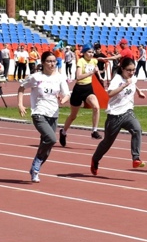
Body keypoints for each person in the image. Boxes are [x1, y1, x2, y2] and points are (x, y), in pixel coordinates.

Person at [17, 51, 70, 183]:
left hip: (53, 114)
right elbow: (21, 87)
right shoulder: (36, 77)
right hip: (39, 113)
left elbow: (67, 93)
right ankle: (36, 163)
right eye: (49, 61)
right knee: (51, 139)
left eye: (54, 61)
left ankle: (35, 169)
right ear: (43, 63)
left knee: (47, 146)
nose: (52, 64)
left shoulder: (59, 77)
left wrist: (63, 100)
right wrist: (20, 104)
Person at [90, 57, 147, 176]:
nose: (131, 73)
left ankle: (136, 158)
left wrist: (138, 91)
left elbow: (134, 83)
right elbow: (109, 94)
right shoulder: (117, 79)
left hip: (127, 112)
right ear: (122, 69)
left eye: (133, 70)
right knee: (107, 143)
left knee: (137, 129)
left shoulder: (132, 78)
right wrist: (123, 86)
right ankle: (95, 159)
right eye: (129, 70)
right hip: (114, 116)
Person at [59, 44, 103, 145]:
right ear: (84, 52)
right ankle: (63, 132)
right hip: (78, 90)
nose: (91, 54)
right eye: (89, 52)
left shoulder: (94, 60)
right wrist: (91, 73)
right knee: (73, 116)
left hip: (88, 89)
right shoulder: (81, 61)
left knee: (96, 107)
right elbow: (78, 76)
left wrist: (100, 76)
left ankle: (94, 131)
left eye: (92, 52)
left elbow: (96, 66)